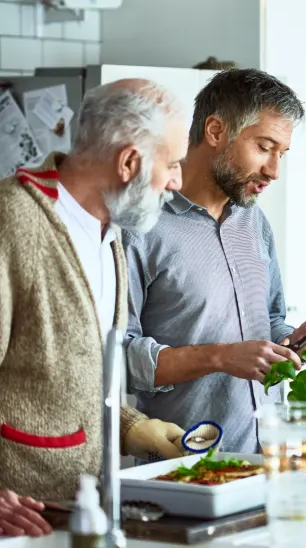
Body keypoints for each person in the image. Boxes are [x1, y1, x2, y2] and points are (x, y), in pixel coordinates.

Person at [0, 79, 191, 537]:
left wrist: (131, 426)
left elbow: (60, 379)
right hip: (20, 527)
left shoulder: (111, 233)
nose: (176, 182)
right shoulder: (13, 222)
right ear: (128, 162)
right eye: (172, 164)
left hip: (78, 517)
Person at [124, 69, 306, 455]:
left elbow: (270, 322)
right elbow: (119, 357)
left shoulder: (253, 221)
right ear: (215, 131)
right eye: (264, 147)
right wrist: (220, 357)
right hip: (183, 468)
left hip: (268, 460)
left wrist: (299, 342)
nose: (274, 171)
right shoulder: (139, 226)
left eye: (281, 154)